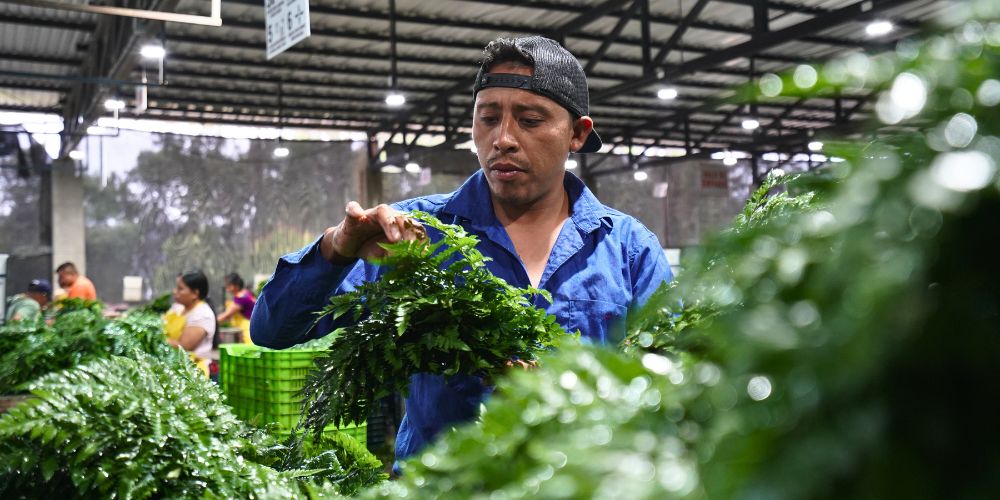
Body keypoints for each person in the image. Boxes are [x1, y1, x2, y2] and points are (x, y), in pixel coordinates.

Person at [251, 36, 672, 470]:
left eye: (529, 120)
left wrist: (576, 392)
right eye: (488, 118)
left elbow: (675, 384)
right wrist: (337, 249)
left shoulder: (627, 248)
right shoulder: (413, 235)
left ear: (577, 134)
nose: (503, 139)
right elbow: (272, 330)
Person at [163, 270, 217, 376]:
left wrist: (158, 338)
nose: (175, 291)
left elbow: (184, 346)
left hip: (192, 371)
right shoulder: (177, 308)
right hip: (173, 365)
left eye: (180, 289)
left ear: (195, 294)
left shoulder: (202, 315)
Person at [216, 272, 256, 345]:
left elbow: (226, 315)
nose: (227, 289)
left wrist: (212, 322)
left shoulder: (241, 298)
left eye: (229, 286)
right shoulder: (246, 293)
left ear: (236, 285)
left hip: (248, 330)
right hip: (252, 327)